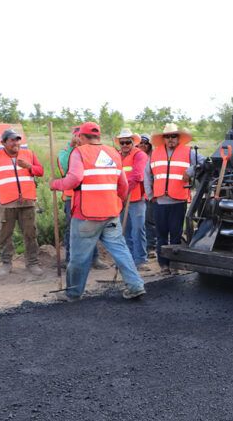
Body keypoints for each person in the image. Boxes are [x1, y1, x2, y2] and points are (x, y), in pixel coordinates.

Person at [49, 122, 146, 301]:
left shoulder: (79, 152)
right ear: (98, 136)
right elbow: (123, 184)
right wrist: (119, 201)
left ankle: (73, 293)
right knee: (121, 250)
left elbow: (74, 178)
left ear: (81, 137)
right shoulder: (113, 153)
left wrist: (55, 184)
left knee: (78, 256)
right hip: (111, 212)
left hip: (87, 215)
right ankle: (135, 286)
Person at [144, 123, 204, 275]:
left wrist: (190, 171)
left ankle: (175, 264)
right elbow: (147, 175)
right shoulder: (154, 153)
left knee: (176, 234)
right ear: (163, 139)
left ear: (178, 138)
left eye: (173, 136)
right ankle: (164, 265)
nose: (170, 139)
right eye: (167, 136)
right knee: (161, 234)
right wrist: (150, 195)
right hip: (159, 201)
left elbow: (204, 162)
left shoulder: (189, 152)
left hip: (178, 200)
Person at [0, 129, 44, 277]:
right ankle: (6, 263)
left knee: (30, 234)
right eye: (12, 140)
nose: (16, 143)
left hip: (27, 202)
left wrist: (29, 166)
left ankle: (32, 263)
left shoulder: (29, 154)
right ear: (4, 142)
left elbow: (40, 171)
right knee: (4, 235)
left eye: (18, 139)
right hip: (5, 204)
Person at [57, 126, 107, 270]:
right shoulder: (65, 153)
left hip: (90, 197)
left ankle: (94, 258)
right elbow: (66, 168)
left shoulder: (92, 152)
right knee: (71, 229)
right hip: (71, 198)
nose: (80, 139)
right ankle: (70, 259)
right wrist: (72, 147)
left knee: (92, 228)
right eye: (77, 136)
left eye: (81, 136)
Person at [115, 128, 150, 271]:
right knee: (125, 230)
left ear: (132, 142)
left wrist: (125, 189)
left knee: (138, 229)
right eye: (122, 142)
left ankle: (140, 260)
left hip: (136, 198)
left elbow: (137, 175)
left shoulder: (140, 155)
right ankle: (128, 259)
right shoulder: (116, 156)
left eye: (127, 142)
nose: (124, 145)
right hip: (120, 199)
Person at [137, 133, 157, 256]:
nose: (143, 145)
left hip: (149, 194)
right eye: (141, 143)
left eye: (146, 143)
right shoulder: (134, 156)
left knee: (150, 222)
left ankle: (151, 247)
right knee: (140, 223)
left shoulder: (154, 157)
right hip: (137, 194)